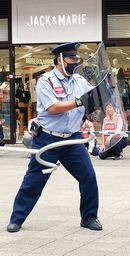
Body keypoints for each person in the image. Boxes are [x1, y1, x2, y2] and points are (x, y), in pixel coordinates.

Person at [6, 42, 103, 233]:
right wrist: (78, 101)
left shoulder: (80, 81)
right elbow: (53, 108)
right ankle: (17, 218)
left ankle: (89, 216)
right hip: (48, 139)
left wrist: (98, 102)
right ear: (60, 60)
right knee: (34, 181)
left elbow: (91, 101)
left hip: (72, 139)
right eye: (71, 58)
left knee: (88, 177)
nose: (75, 62)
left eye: (77, 59)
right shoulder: (45, 81)